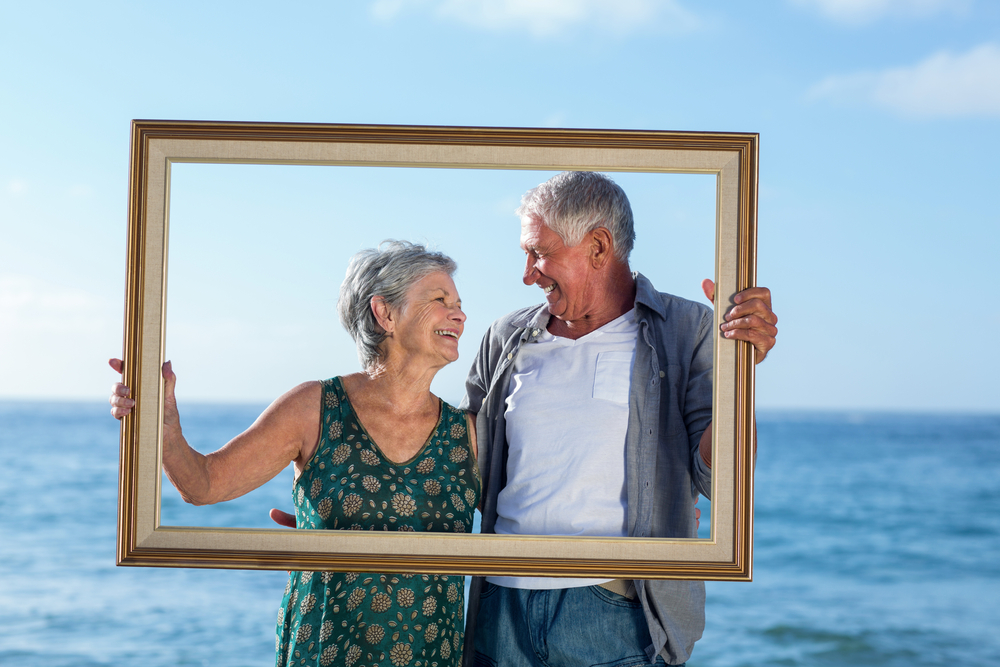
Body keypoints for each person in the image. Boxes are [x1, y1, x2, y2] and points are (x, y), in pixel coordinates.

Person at [109, 241, 480, 667]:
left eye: (458, 303)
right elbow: (204, 484)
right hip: (321, 654)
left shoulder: (465, 433)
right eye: (440, 300)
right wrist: (163, 423)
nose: (460, 314)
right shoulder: (315, 408)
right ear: (386, 314)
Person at [460, 172, 778, 667]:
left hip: (613, 612)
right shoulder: (505, 336)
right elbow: (461, 464)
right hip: (501, 607)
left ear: (599, 246)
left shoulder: (690, 328)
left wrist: (741, 375)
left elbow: (723, 478)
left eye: (538, 253)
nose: (528, 273)